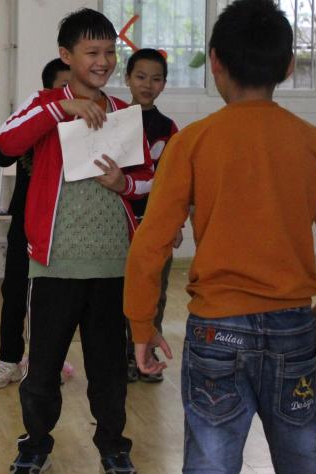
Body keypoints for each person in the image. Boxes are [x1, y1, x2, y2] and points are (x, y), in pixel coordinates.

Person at [124, 0, 316, 474]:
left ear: (215, 62)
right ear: (289, 67)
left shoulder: (191, 142)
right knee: (301, 458)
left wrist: (141, 324)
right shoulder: (312, 141)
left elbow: (151, 243)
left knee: (211, 462)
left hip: (216, 329)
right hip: (293, 327)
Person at [0, 8, 153, 474]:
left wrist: (124, 184)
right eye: (91, 52)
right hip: (55, 265)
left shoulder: (123, 112)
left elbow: (149, 180)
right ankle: (35, 443)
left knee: (109, 369)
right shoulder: (46, 103)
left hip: (111, 265)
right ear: (66, 56)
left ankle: (113, 445)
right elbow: (6, 143)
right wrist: (59, 109)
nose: (102, 61)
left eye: (109, 52)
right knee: (43, 368)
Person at [0, 58, 71, 389]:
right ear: (48, 91)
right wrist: (41, 120)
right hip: (25, 222)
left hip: (64, 224)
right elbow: (1, 155)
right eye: (64, 87)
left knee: (54, 298)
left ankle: (44, 361)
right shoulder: (35, 118)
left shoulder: (87, 123)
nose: (71, 95)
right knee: (15, 290)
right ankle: (8, 359)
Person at [121, 48, 180, 384]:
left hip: (156, 226)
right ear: (127, 79)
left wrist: (176, 223)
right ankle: (123, 354)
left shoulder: (168, 128)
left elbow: (176, 182)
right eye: (140, 77)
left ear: (164, 84)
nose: (147, 84)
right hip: (118, 223)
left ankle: (145, 349)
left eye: (156, 79)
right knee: (121, 291)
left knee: (156, 290)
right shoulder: (114, 120)